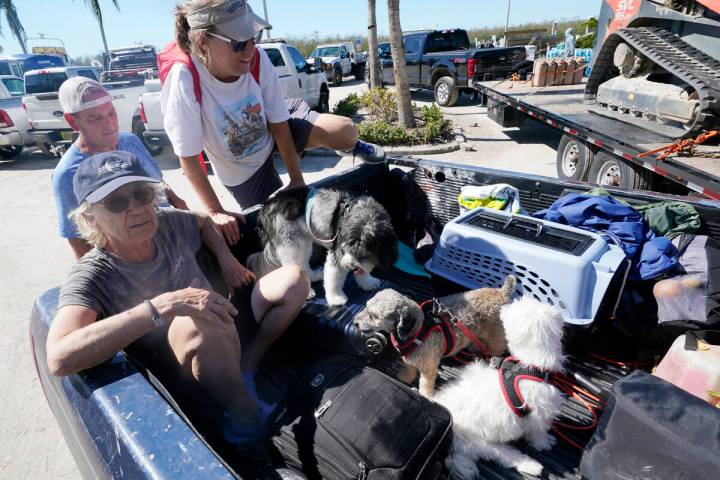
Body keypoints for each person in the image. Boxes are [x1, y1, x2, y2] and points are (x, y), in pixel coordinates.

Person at [46, 150, 309, 440]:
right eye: (117, 202)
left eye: (142, 195)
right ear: (90, 217)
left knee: (294, 279)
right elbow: (60, 357)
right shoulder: (92, 274)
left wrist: (227, 259)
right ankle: (246, 418)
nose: (135, 208)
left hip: (224, 319)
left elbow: (203, 221)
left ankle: (245, 370)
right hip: (186, 365)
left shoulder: (167, 222)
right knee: (196, 321)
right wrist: (162, 306)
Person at [162, 0, 386, 246]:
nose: (249, 50)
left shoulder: (257, 59)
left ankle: (349, 145)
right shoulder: (184, 77)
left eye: (253, 38)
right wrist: (215, 211)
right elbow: (189, 156)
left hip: (270, 124)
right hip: (242, 165)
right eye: (238, 43)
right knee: (283, 230)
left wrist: (296, 179)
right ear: (203, 41)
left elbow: (279, 122)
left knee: (345, 131)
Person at [52, 76, 187, 260]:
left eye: (111, 113)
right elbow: (78, 241)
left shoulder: (130, 141)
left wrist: (176, 200)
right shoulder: (67, 174)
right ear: (73, 121)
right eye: (96, 118)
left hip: (173, 241)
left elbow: (157, 181)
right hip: (137, 260)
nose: (110, 125)